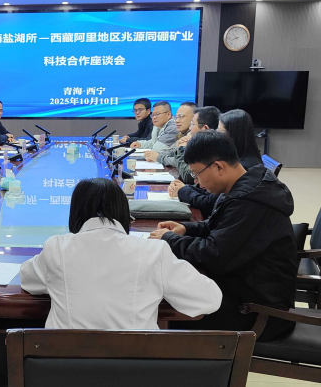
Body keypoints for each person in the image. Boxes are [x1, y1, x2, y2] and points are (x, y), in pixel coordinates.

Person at [150, 131, 297, 341]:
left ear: (219, 167)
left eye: (197, 174)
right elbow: (218, 226)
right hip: (243, 290)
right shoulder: (244, 185)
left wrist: (169, 239)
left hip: (258, 312)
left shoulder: (248, 202)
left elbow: (213, 254)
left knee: (162, 310)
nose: (197, 182)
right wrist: (186, 229)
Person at [20, 178, 222, 329]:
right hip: (136, 367)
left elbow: (27, 279)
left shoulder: (56, 248)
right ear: (125, 212)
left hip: (63, 367)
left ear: (75, 213)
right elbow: (209, 299)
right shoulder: (153, 252)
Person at [169, 109, 261, 218]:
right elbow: (212, 195)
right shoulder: (240, 159)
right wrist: (186, 188)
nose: (216, 134)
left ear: (234, 135)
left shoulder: (242, 168)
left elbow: (210, 203)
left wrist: (183, 191)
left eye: (220, 131)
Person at [167, 105, 220, 185]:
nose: (190, 128)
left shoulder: (210, 148)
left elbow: (188, 176)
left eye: (192, 124)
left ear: (205, 128)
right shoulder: (198, 143)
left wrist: (182, 149)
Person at [144, 102, 196, 166]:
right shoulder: (183, 134)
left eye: (181, 116)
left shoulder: (196, 138)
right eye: (176, 117)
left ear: (194, 118)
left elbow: (183, 162)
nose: (177, 121)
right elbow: (174, 152)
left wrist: (158, 157)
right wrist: (157, 155)